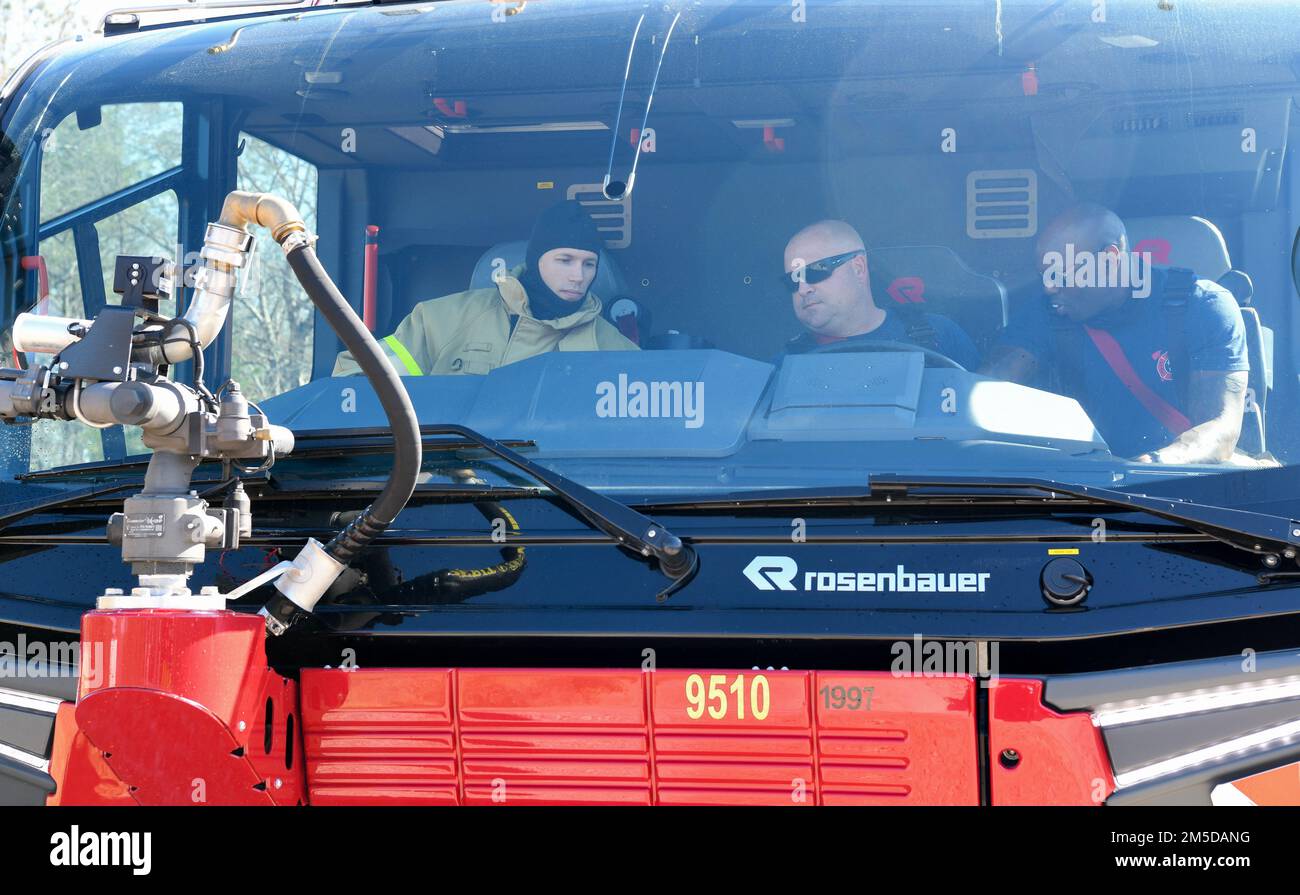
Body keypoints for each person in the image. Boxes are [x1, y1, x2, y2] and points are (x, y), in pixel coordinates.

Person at [981, 203, 1249, 463]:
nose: (1049, 288)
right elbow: (988, 395)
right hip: (1076, 492)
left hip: (1180, 492)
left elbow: (1220, 429)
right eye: (1044, 275)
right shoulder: (1044, 314)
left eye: (1060, 275)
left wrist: (1152, 465)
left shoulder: (1202, 306)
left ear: (1110, 259)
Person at [333, 201, 637, 376]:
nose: (578, 276)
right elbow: (356, 379)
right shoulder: (442, 320)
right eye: (565, 260)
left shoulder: (613, 347)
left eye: (588, 264)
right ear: (536, 261)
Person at [776, 220, 980, 369]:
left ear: (858, 267)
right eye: (793, 280)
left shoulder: (939, 335)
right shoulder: (785, 365)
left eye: (814, 272)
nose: (803, 289)